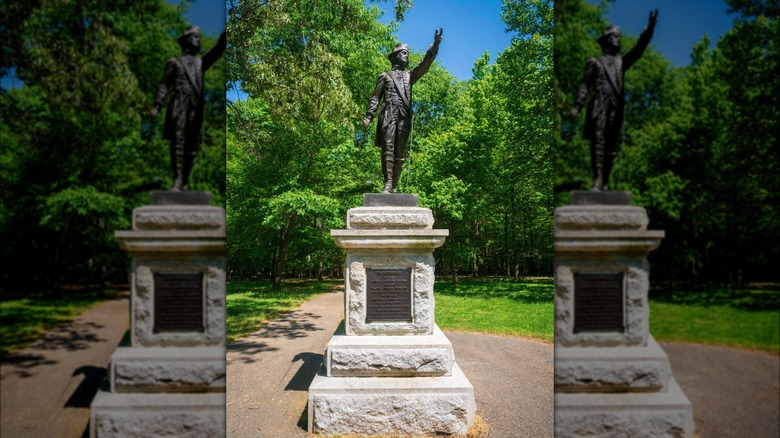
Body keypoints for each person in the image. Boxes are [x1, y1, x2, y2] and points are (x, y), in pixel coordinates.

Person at [570, 10, 658, 191]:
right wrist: (578, 106)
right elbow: (584, 86)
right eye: (616, 37)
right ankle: (597, 179)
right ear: (607, 39)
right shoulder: (594, 62)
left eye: (619, 37)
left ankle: (605, 182)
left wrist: (649, 29)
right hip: (599, 104)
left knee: (611, 145)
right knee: (598, 140)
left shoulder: (621, 62)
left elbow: (638, 48)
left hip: (616, 107)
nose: (619, 40)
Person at [362, 29, 443, 193]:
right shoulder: (384, 76)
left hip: (404, 116)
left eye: (407, 54)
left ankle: (394, 186)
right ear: (396, 55)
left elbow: (424, 65)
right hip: (388, 113)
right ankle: (387, 184)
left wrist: (435, 46)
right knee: (387, 148)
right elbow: (375, 97)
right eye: (404, 53)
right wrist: (369, 117)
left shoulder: (409, 76)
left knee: (400, 152)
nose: (407, 56)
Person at [151, 25, 226, 191]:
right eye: (195, 36)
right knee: (178, 141)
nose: (198, 40)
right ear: (186, 40)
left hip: (195, 106)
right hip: (179, 103)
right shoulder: (174, 62)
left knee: (191, 146)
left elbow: (217, 50)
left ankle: (184, 181)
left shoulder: (200, 63)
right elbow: (164, 85)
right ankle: (177, 180)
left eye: (199, 37)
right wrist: (157, 106)